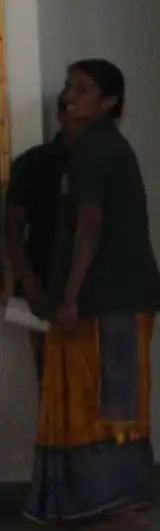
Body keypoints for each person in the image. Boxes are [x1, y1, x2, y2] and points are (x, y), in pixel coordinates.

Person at [28, 60, 160, 526]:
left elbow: (89, 226)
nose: (69, 96)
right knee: (102, 397)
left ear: (108, 102)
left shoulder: (96, 151)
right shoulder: (93, 149)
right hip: (112, 297)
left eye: (82, 89)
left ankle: (119, 501)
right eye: (69, 87)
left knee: (112, 400)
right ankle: (102, 500)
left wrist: (70, 298)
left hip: (111, 298)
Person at [5, 96, 70, 381]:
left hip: (99, 294)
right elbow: (13, 227)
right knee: (52, 383)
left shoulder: (108, 163)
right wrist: (27, 280)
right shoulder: (32, 164)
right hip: (45, 289)